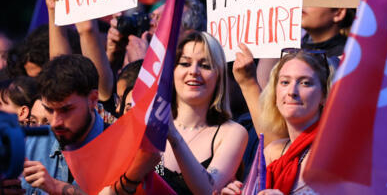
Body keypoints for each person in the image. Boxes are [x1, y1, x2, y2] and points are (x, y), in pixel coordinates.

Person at [16, 54, 157, 195]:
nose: (55, 122)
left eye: (66, 110)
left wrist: (54, 186)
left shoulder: (125, 148)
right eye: (50, 110)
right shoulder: (33, 142)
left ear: (93, 100)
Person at [224, 46, 331, 194]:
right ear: (274, 93)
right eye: (285, 82)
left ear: (324, 96)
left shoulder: (335, 152)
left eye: (305, 83)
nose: (292, 92)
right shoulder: (272, 152)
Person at [158, 30, 248, 194]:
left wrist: (174, 137)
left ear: (219, 76)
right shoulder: (154, 125)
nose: (194, 71)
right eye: (185, 63)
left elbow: (208, 190)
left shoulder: (233, 133)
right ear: (172, 71)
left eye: (205, 65)